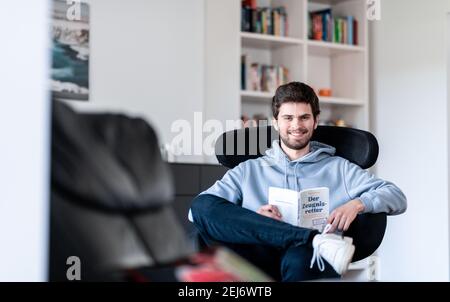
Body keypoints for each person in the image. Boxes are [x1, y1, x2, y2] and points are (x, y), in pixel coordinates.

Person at [189, 82, 407, 281]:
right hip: (259, 251)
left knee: (303, 256)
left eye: (304, 117)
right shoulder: (248, 169)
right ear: (275, 123)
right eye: (288, 118)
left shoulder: (339, 168)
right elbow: (199, 212)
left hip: (306, 258)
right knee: (201, 205)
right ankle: (310, 238)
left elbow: (396, 196)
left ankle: (311, 242)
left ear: (315, 122)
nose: (296, 125)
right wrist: (256, 219)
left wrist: (356, 204)